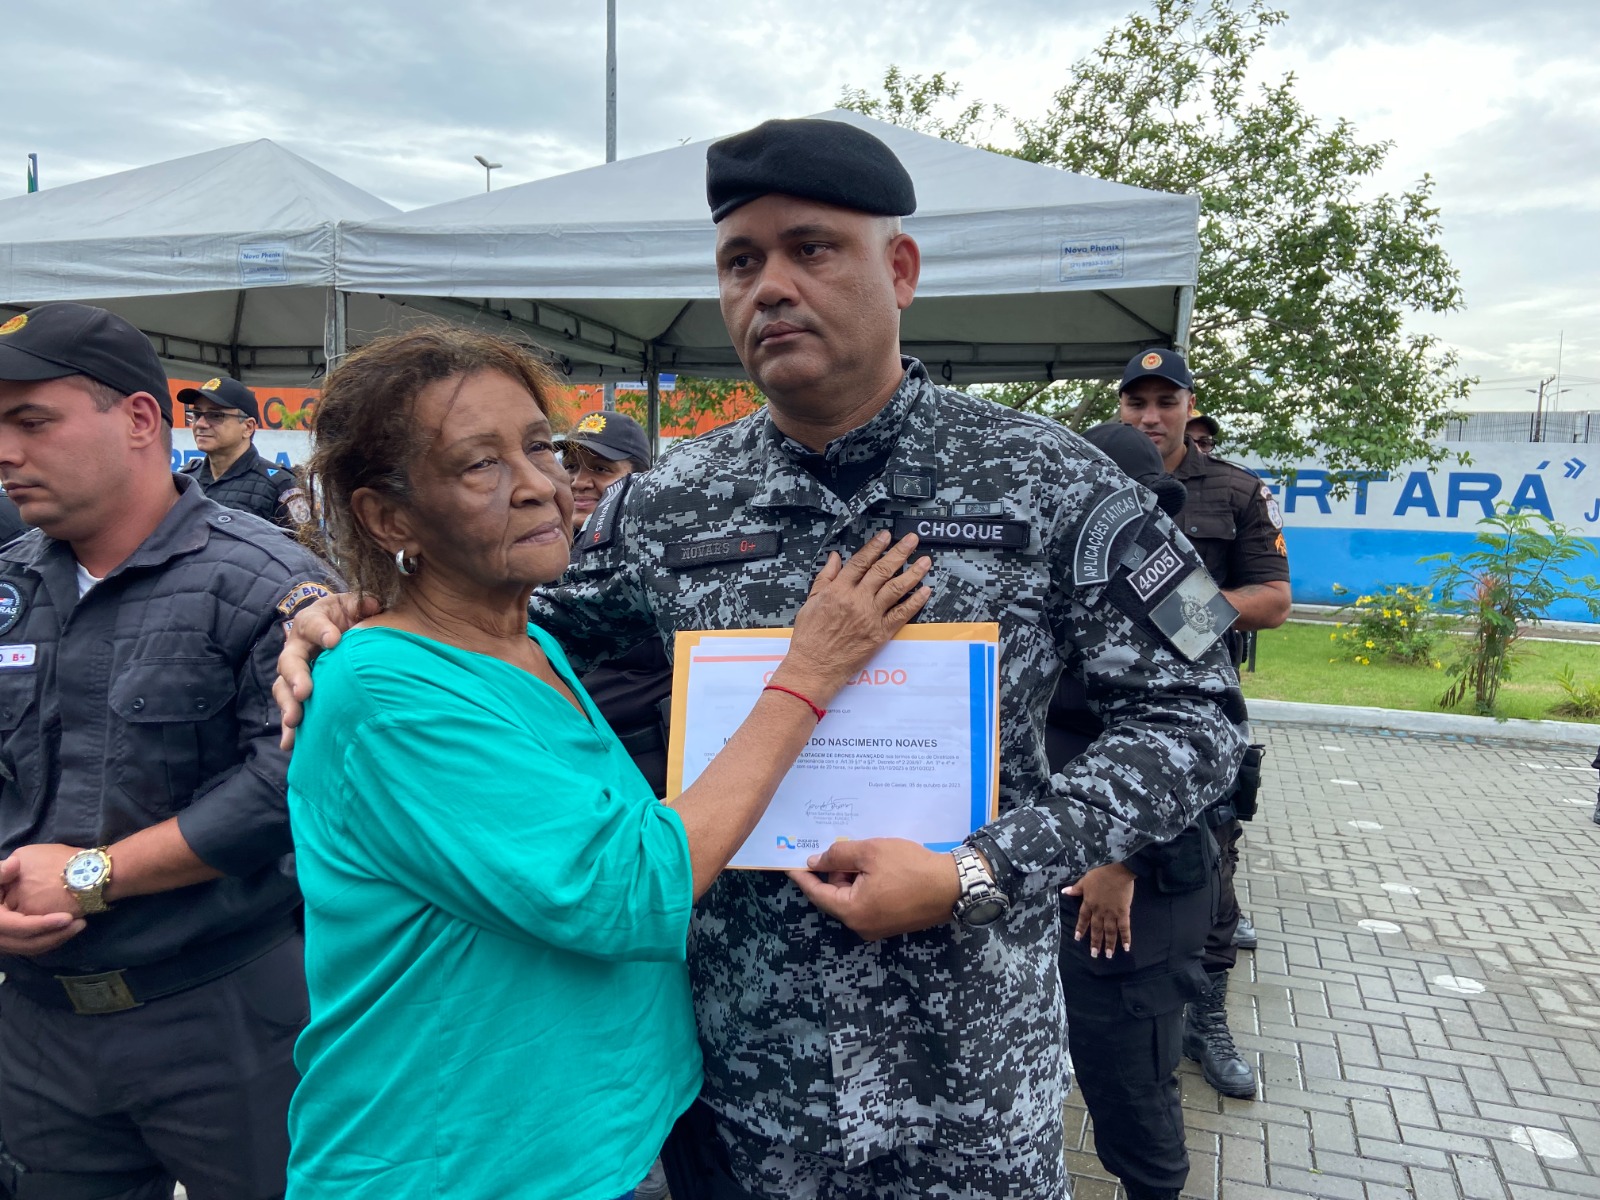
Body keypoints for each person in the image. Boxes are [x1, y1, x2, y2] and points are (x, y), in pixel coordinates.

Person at [278, 118, 1249, 1200]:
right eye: (741, 262)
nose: (771, 287)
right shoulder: (666, 505)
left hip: (971, 1065)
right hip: (749, 1075)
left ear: (900, 269)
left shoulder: (1058, 481)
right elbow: (493, 620)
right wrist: (340, 609)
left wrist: (982, 870)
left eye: (811, 249)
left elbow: (1199, 718)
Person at [282, 324, 930, 1200]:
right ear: (389, 518)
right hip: (458, 1165)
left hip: (596, 1139)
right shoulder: (384, 689)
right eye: (479, 464)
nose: (539, 485)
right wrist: (810, 673)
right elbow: (627, 887)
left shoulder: (531, 644)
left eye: (538, 446)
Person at [0, 302, 338, 1200]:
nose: (4, 452)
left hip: (225, 1015)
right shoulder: (10, 585)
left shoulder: (265, 581)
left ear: (140, 419)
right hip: (37, 1027)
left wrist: (93, 875)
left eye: (31, 421)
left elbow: (292, 781)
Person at [1049, 421, 1219, 1200]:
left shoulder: (1178, 585)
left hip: (1137, 874)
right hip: (1054, 856)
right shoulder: (1049, 572)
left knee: (1128, 1075)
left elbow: (1206, 735)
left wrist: (1122, 861)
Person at [1119, 347, 1292, 1100]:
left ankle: (1207, 1018)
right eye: (1137, 402)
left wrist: (1180, 614)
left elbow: (1274, 600)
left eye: (1166, 402)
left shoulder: (1237, 489)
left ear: (1191, 407)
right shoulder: (1087, 475)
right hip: (1093, 709)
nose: (1150, 417)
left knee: (1210, 865)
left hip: (1199, 711)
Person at [561, 409, 674, 799]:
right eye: (571, 466)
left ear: (640, 480)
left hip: (643, 772)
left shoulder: (657, 554)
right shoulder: (544, 551)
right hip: (571, 765)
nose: (579, 481)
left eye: (601, 469)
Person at [178, 374, 308, 529]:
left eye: (215, 415)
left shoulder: (279, 486)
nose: (200, 424)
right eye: (197, 414)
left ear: (248, 427)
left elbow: (307, 543)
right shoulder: (186, 480)